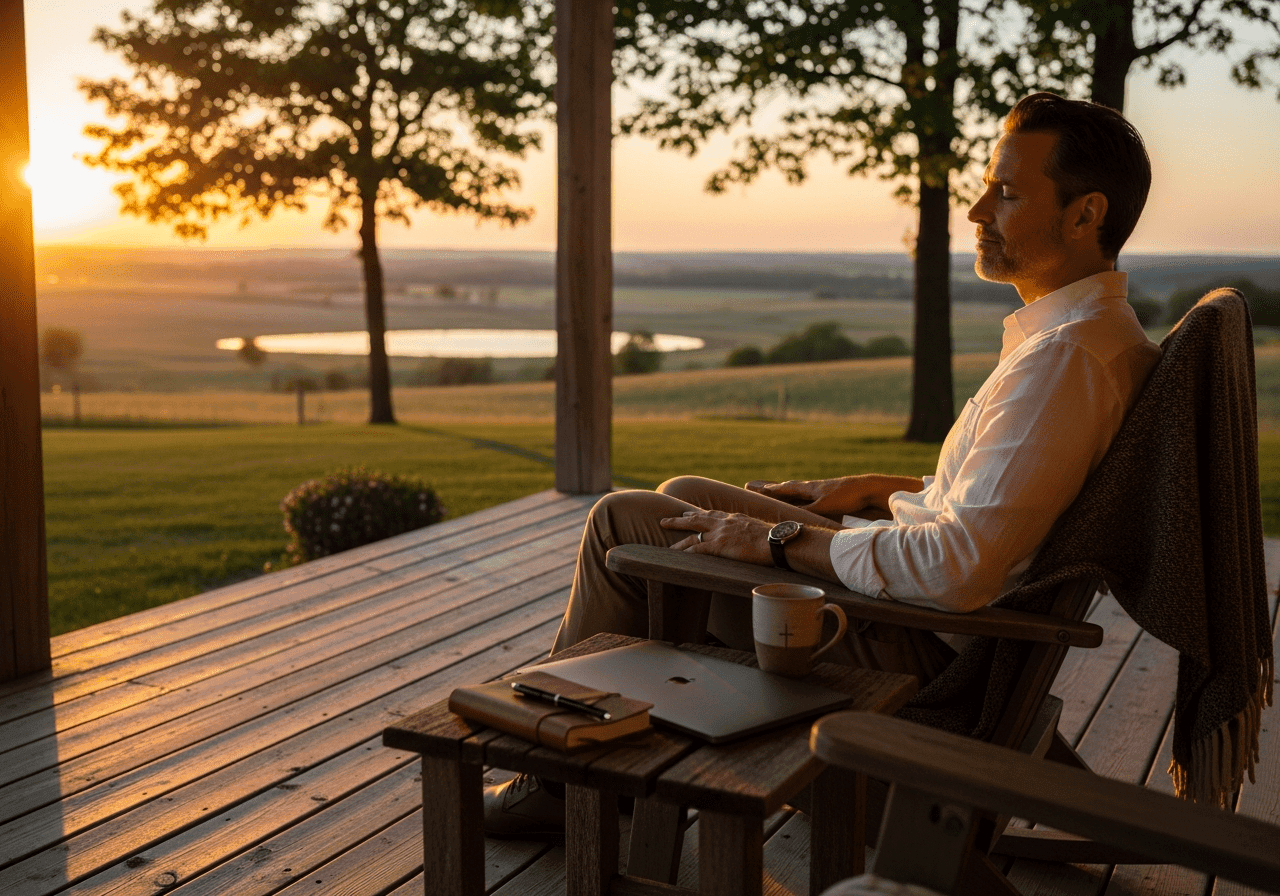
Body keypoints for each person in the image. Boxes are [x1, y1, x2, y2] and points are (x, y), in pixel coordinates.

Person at [482, 91, 1163, 838]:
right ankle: (605, 761)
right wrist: (872, 488)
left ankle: (566, 778)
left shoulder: (1064, 361)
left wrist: (776, 542)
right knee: (679, 503)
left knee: (625, 527)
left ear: (1085, 214)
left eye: (1005, 192)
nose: (974, 210)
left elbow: (958, 568)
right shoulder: (1091, 336)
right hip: (935, 623)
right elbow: (1013, 504)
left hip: (917, 649)